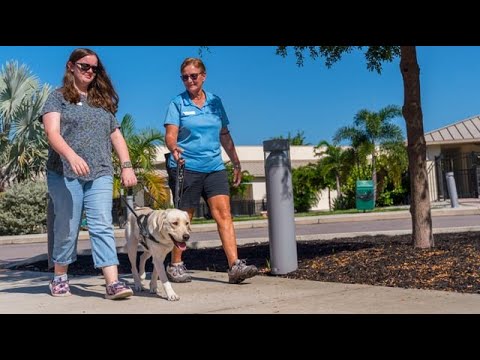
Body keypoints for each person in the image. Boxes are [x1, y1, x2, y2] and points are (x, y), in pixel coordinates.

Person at [41, 48, 136, 300]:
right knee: (67, 226)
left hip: (101, 172)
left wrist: (126, 165)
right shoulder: (57, 97)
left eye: (94, 68)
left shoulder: (101, 101)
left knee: (102, 225)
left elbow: (116, 135)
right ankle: (60, 276)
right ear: (71, 66)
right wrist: (71, 156)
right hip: (63, 173)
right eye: (85, 66)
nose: (90, 71)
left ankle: (113, 282)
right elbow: (53, 133)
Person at [164, 57, 258, 284]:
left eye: (193, 76)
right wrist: (173, 147)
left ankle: (234, 266)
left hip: (214, 166)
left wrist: (235, 162)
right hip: (187, 167)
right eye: (185, 77)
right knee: (183, 219)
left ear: (203, 76)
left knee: (224, 214)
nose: (189, 80)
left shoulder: (215, 102)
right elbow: (170, 135)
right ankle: (175, 265)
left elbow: (224, 134)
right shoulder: (178, 103)